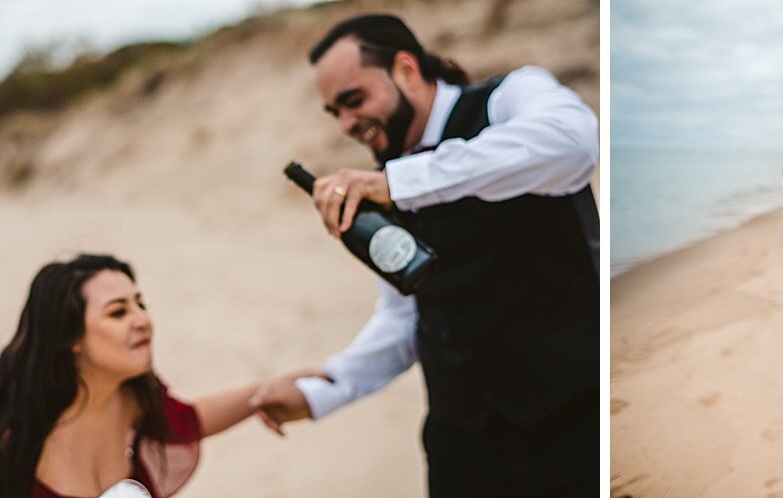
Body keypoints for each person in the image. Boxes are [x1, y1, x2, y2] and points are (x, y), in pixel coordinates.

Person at [247, 14, 600, 496]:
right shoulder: (386, 176)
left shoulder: (510, 100)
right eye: (335, 112)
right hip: (461, 446)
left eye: (354, 101)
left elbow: (575, 143)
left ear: (407, 70)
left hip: (575, 427)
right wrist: (318, 394)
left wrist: (401, 182)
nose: (348, 124)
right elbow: (404, 319)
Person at [0, 254, 302, 498]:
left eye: (141, 304)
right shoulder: (6, 434)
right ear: (71, 337)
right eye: (118, 312)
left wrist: (262, 394)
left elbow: (188, 419)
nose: (143, 321)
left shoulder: (131, 399)